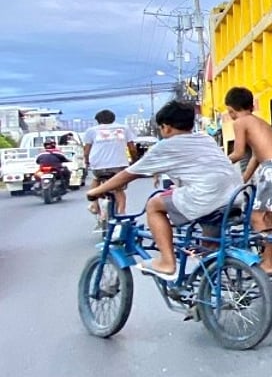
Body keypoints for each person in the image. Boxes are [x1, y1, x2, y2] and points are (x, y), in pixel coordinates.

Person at [88, 101, 243, 280]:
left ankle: (167, 262)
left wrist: (96, 191)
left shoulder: (166, 146)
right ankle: (204, 288)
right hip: (234, 196)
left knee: (154, 205)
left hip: (206, 198)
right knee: (207, 245)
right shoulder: (205, 138)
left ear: (166, 128)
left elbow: (128, 174)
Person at [225, 87, 272, 275]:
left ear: (231, 110)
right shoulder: (258, 121)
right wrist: (244, 179)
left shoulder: (240, 122)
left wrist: (219, 164)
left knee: (257, 217)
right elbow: (256, 157)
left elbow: (239, 153)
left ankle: (268, 262)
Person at [83, 109, 135, 218]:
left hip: (98, 165)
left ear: (98, 121)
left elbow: (87, 150)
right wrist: (135, 160)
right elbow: (132, 148)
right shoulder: (124, 128)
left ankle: (94, 204)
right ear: (114, 119)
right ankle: (121, 213)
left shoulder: (91, 130)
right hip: (119, 165)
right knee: (118, 189)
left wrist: (86, 161)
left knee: (96, 179)